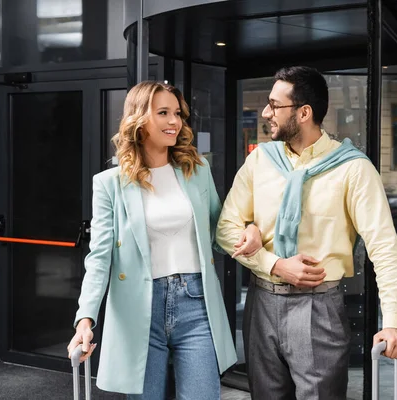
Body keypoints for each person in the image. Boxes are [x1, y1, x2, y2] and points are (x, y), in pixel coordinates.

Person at [216, 66, 397, 399]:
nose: (265, 113)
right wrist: (274, 264)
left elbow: (384, 247)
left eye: (275, 105)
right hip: (261, 302)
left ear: (304, 112)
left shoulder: (353, 169)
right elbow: (224, 228)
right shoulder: (260, 160)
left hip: (318, 309)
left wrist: (392, 320)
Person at [67, 81, 262, 399]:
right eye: (163, 113)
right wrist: (85, 319)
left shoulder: (196, 170)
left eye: (177, 114)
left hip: (196, 303)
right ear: (138, 119)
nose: (175, 122)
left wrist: (250, 230)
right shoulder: (110, 184)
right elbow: (100, 256)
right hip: (139, 307)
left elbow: (219, 232)